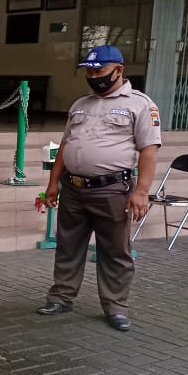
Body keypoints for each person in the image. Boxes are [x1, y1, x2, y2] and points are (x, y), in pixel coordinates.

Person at [37, 44, 161, 332]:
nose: (94, 76)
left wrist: (141, 191)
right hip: (74, 188)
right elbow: (65, 145)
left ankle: (116, 306)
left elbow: (149, 151)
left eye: (100, 71)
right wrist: (53, 183)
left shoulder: (141, 104)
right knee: (67, 245)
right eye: (89, 71)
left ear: (119, 71)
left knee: (115, 251)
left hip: (112, 190)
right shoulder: (81, 104)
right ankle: (61, 297)